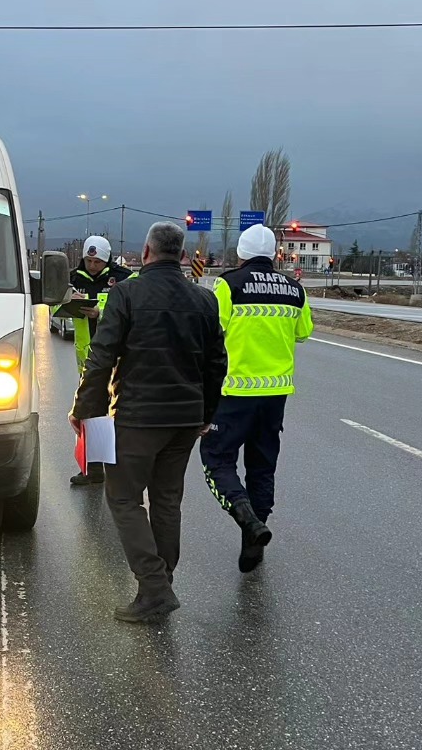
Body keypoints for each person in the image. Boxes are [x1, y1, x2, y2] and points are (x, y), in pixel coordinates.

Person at [70, 222, 228, 623]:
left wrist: (85, 410)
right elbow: (216, 365)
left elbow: (101, 356)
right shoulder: (204, 301)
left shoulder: (126, 294)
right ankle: (162, 583)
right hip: (185, 420)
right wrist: (206, 415)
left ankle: (155, 587)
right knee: (167, 500)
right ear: (181, 254)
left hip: (139, 417)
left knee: (122, 498)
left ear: (146, 253)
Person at [200, 224, 313, 573]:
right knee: (262, 468)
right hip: (275, 395)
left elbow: (209, 332)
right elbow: (304, 333)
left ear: (240, 253)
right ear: (275, 254)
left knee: (216, 461)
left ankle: (246, 518)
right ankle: (255, 541)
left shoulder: (228, 285)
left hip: (233, 393)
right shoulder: (295, 289)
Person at [64, 235, 134, 486]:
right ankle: (92, 470)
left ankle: (121, 469)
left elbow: (130, 312)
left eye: (97, 261)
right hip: (88, 357)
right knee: (89, 414)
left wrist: (99, 313)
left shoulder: (124, 278)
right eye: (89, 260)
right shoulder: (73, 278)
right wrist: (67, 303)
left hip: (119, 358)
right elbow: (54, 308)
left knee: (120, 413)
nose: (92, 265)